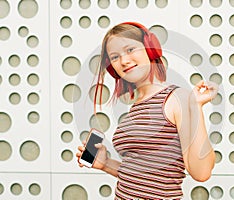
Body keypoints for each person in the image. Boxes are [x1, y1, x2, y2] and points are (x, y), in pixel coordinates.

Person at [76, 21, 218, 200]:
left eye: (130, 50)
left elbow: (202, 172)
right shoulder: (135, 107)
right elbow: (140, 173)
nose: (124, 61)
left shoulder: (177, 98)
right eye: (114, 57)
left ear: (151, 49)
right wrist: (105, 164)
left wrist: (195, 107)